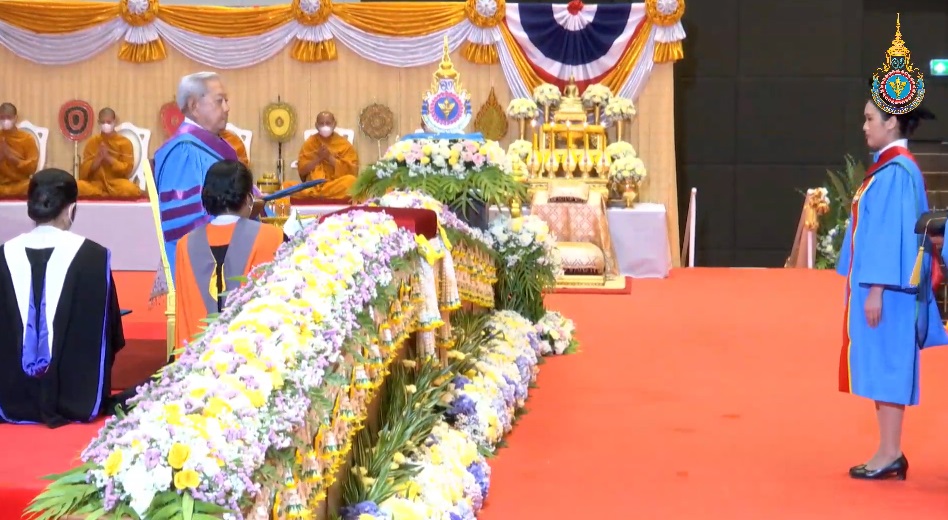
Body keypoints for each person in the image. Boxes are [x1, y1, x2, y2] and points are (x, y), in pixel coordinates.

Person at [838, 16, 947, 480]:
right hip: (880, 288)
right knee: (881, 365)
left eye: (870, 118)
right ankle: (886, 450)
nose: (864, 125)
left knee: (888, 365)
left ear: (892, 121)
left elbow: (893, 235)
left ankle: (890, 453)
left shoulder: (898, 172)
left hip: (888, 292)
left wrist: (878, 289)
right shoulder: (888, 168)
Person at [0, 169, 125, 427]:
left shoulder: (3, 256)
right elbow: (111, 333)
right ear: (71, 209)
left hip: (10, 399)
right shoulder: (93, 257)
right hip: (77, 398)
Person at [174, 160, 283, 350]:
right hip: (254, 355)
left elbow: (184, 314)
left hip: (198, 356)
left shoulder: (185, 245)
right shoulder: (273, 237)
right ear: (249, 199)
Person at [154, 72, 236, 283]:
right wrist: (240, 213)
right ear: (194, 106)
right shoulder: (182, 152)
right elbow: (184, 220)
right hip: (199, 266)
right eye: (219, 101)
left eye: (226, 101)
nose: (227, 108)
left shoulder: (216, 146)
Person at [77, 108, 142, 199]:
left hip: (116, 183)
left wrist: (108, 158)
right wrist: (98, 159)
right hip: (96, 184)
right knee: (78, 186)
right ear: (98, 122)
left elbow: (127, 170)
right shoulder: (92, 142)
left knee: (131, 189)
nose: (106, 125)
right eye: (103, 122)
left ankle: (102, 194)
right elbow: (84, 172)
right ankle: (105, 194)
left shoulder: (125, 142)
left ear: (115, 121)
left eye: (108, 122)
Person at [293, 111, 358, 199]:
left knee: (351, 182)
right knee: (285, 186)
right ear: (316, 126)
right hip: (313, 186)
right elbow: (302, 171)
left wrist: (329, 158)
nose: (325, 126)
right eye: (321, 123)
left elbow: (352, 171)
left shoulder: (344, 144)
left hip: (334, 185)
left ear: (334, 124)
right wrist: (318, 159)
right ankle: (320, 194)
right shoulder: (310, 143)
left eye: (328, 123)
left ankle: (316, 195)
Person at [0, 102, 40, 198]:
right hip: (1, 185)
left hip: (21, 184)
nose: (5, 121)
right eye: (2, 118)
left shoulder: (27, 139)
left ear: (15, 118)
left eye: (8, 117)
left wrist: (11, 157)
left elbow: (32, 168)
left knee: (32, 185)